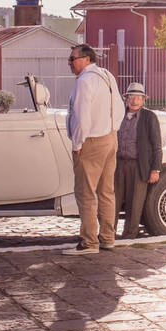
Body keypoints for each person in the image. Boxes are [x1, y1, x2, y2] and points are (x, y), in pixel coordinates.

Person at [64, 43, 124, 255]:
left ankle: (89, 242)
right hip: (110, 138)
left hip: (91, 141)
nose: (69, 63)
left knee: (86, 193)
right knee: (107, 192)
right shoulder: (107, 75)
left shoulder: (84, 81)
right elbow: (119, 107)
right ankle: (108, 238)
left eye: (73, 58)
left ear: (86, 59)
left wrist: (77, 144)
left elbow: (81, 117)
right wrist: (113, 129)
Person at [114, 82, 163, 239]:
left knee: (135, 202)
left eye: (138, 98)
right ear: (126, 98)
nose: (134, 101)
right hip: (117, 164)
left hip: (139, 165)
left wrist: (155, 169)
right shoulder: (118, 114)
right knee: (112, 200)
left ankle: (130, 234)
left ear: (143, 100)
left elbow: (157, 145)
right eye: (131, 97)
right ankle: (108, 233)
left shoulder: (149, 117)